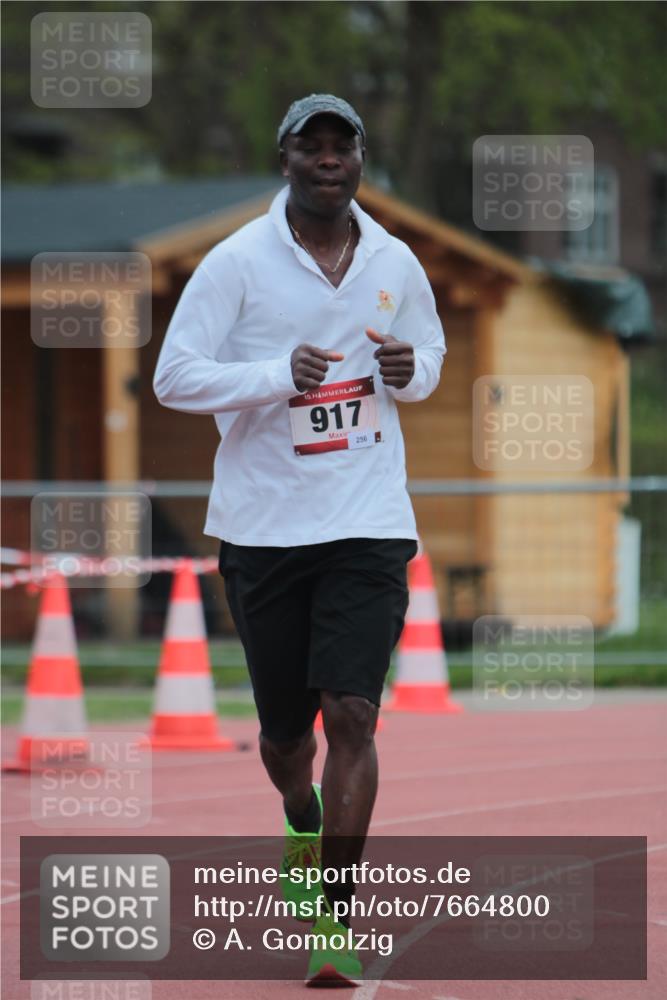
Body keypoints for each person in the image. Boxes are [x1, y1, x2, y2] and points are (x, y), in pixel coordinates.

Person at [153, 93, 446, 986]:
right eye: (309, 146)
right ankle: (298, 812)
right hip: (266, 526)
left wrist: (410, 369)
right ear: (284, 158)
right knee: (288, 738)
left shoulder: (395, 260)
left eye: (341, 145)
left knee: (353, 713)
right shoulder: (235, 263)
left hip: (367, 519)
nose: (327, 159)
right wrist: (277, 376)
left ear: (358, 158)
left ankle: (334, 918)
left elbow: (428, 358)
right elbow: (174, 377)